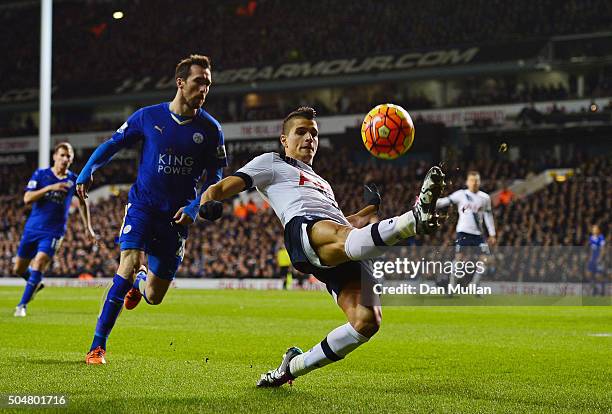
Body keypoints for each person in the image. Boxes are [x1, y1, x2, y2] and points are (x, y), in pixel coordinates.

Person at [197, 107, 445, 386]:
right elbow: (222, 186)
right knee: (342, 236)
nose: (309, 138)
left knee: (367, 321)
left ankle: (291, 368)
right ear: (284, 140)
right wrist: (208, 200)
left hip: (335, 237)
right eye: (300, 132)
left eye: (313, 133)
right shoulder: (272, 162)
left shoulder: (323, 183)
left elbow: (345, 224)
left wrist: (368, 209)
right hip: (304, 228)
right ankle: (414, 220)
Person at [76, 54, 227, 364]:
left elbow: (216, 176)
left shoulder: (211, 130)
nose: (204, 90)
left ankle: (143, 279)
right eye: (199, 82)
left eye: (208, 84)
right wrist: (88, 169)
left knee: (154, 297)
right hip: (143, 206)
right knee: (126, 264)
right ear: (181, 83)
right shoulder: (147, 117)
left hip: (177, 218)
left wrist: (195, 207)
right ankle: (97, 347)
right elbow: (112, 144)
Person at [13, 142, 96, 317]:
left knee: (40, 261)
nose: (65, 159)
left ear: (71, 160)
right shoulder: (41, 175)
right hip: (32, 229)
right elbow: (27, 198)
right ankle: (35, 283)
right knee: (19, 269)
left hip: (54, 231)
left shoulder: (73, 179)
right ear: (55, 156)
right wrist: (50, 188)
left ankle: (21, 306)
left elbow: (82, 203)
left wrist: (88, 227)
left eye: (69, 157)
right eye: (62, 155)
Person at [436, 171, 496, 291]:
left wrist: (492, 234)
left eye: (476, 180)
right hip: (463, 232)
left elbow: (488, 216)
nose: (474, 183)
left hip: (478, 234)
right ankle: (452, 287)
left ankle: (474, 285)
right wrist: (431, 201)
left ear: (480, 182)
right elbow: (445, 201)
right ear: (467, 182)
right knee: (458, 259)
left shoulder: (485, 198)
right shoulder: (461, 194)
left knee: (485, 259)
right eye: (472, 180)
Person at [587, 224, 606, 296]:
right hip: (593, 258)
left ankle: (602, 291)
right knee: (588, 274)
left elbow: (603, 249)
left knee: (599, 276)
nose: (594, 230)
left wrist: (600, 258)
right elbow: (592, 249)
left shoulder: (601, 237)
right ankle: (595, 288)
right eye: (593, 229)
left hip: (599, 258)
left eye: (595, 229)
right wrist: (590, 258)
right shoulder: (591, 238)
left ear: (598, 230)